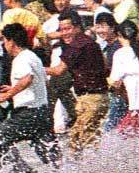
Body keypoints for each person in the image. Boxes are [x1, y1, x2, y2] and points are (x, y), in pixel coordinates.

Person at [0, 21, 54, 173]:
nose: (4, 45)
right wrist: (15, 89)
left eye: (4, 41)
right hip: (42, 112)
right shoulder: (33, 57)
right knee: (49, 154)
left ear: (11, 41)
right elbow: (43, 83)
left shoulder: (21, 58)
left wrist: (8, 94)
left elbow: (27, 78)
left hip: (27, 114)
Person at [46, 12, 108, 152]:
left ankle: (92, 171)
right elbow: (105, 65)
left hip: (91, 100)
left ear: (78, 28)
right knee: (81, 140)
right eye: (61, 30)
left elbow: (58, 71)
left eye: (68, 29)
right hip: (97, 98)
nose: (64, 33)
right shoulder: (89, 42)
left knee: (82, 142)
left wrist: (36, 68)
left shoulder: (77, 45)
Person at [107, 19, 139, 135]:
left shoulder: (120, 54)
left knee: (123, 136)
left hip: (138, 106)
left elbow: (114, 81)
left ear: (119, 35)